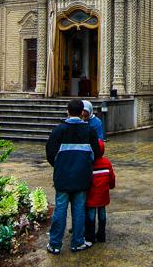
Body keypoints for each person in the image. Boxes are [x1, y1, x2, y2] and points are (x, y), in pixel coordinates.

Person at [45, 98, 101, 254]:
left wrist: (60, 166)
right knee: (78, 210)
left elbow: (50, 154)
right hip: (82, 178)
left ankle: (55, 244)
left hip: (63, 178)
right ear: (82, 112)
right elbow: (96, 154)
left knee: (60, 210)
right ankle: (77, 242)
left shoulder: (59, 130)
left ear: (68, 111)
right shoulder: (89, 131)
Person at [85, 139, 116, 243]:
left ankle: (91, 236)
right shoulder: (106, 162)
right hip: (103, 194)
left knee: (91, 216)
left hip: (91, 196)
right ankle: (102, 234)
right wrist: (111, 186)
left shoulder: (89, 163)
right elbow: (112, 177)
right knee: (102, 213)